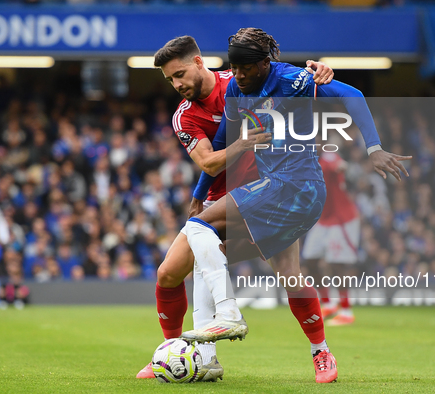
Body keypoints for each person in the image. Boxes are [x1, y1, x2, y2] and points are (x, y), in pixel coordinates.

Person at [179, 27, 411, 383]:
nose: (238, 75)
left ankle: (228, 317)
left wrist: (373, 148)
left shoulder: (291, 79)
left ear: (264, 64)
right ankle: (322, 353)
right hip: (289, 193)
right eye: (234, 67)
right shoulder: (237, 95)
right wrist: (199, 192)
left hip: (293, 186)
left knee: (198, 231)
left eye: (246, 68)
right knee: (284, 274)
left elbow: (352, 95)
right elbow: (224, 141)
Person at [135, 35, 334, 381]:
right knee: (169, 273)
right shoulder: (185, 117)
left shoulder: (240, 80)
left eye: (180, 74)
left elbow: (291, 80)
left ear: (199, 62)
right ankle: (174, 353)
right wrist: (214, 175)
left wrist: (321, 72)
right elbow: (210, 163)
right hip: (224, 202)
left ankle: (321, 352)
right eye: (170, 80)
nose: (177, 84)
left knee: (290, 275)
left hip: (272, 192)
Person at [301, 151, 360, 326]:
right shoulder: (302, 162)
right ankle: (328, 303)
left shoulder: (327, 157)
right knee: (310, 258)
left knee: (336, 263)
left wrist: (343, 167)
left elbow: (339, 164)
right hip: (323, 218)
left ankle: (346, 311)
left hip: (341, 218)